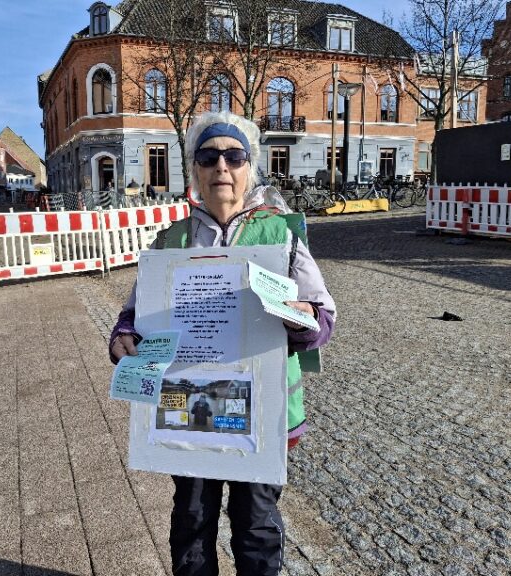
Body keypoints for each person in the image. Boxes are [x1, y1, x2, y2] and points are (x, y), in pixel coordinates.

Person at [109, 111, 336, 575]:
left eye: (234, 156)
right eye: (208, 157)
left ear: (250, 166)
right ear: (194, 169)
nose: (221, 167)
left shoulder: (281, 234)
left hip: (263, 412)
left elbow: (323, 319)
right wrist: (124, 338)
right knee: (192, 518)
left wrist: (302, 318)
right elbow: (134, 315)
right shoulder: (172, 240)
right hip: (188, 411)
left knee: (257, 523)